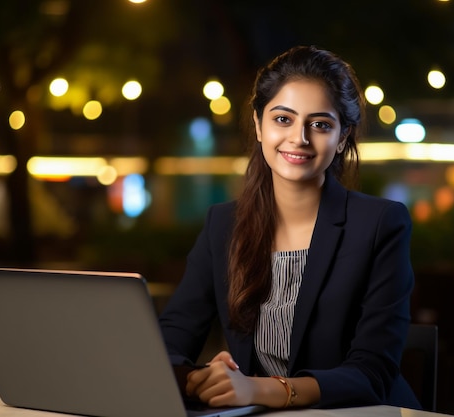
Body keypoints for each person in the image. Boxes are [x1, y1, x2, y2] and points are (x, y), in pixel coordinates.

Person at [158, 45, 421, 410]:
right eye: (283, 119)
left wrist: (260, 390)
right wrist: (201, 379)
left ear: (343, 137)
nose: (299, 138)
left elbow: (373, 372)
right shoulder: (224, 225)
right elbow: (168, 344)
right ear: (258, 125)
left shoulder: (380, 224)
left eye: (320, 125)